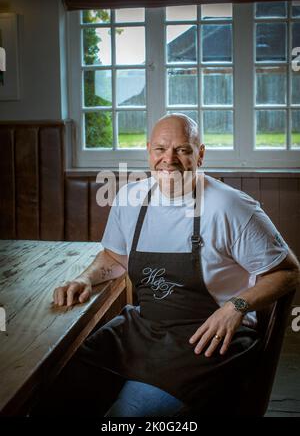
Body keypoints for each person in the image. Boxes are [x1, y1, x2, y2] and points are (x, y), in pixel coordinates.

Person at [44, 113, 299, 417]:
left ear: (200, 154)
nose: (169, 159)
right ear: (148, 150)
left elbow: (288, 271)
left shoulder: (230, 207)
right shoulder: (130, 199)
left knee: (127, 418)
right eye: (161, 149)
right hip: (144, 327)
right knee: (55, 393)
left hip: (207, 340)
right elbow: (114, 258)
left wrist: (237, 306)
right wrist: (85, 278)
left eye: (182, 150)